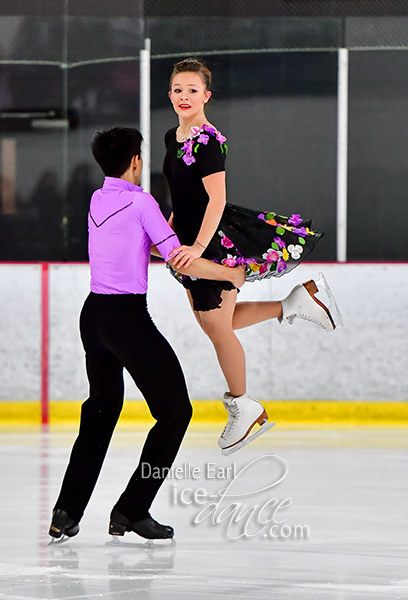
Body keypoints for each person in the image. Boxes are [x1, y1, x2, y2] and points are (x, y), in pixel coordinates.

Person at [49, 127, 246, 543]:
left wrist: (166, 238)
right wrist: (229, 273)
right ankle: (132, 509)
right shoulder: (142, 202)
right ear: (136, 162)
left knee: (101, 410)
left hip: (94, 317)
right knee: (176, 413)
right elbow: (180, 259)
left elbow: (141, 243)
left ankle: (66, 511)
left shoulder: (97, 198)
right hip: (126, 321)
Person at [164, 58, 342, 456]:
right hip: (189, 238)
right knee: (214, 325)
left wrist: (196, 247)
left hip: (209, 240)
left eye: (192, 90)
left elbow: (216, 199)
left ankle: (243, 406)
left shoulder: (208, 142)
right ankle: (293, 303)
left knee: (217, 327)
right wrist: (167, 231)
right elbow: (181, 195)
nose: (184, 97)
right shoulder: (172, 136)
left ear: (206, 95)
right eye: (178, 89)